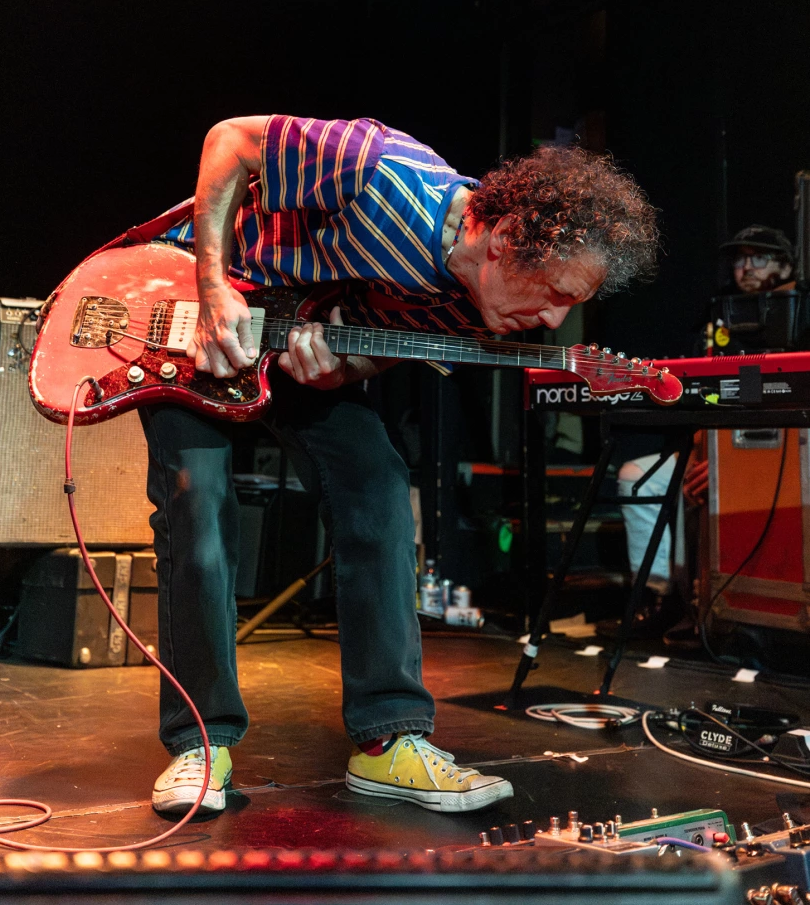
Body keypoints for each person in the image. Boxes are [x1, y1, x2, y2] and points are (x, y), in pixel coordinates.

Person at [138, 114, 658, 817]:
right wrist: (212, 290)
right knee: (196, 500)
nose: (554, 322)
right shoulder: (379, 169)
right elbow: (228, 140)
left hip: (288, 346)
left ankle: (389, 740)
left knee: (379, 488)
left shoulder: (475, 310)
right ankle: (200, 743)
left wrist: (337, 369)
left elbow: (371, 355)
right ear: (504, 240)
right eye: (557, 294)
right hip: (190, 321)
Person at [614, 223, 794, 640]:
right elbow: (705, 395)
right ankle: (662, 596)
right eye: (739, 259)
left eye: (758, 258)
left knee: (697, 487)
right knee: (637, 478)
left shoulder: (798, 317)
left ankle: (706, 604)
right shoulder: (720, 316)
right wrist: (703, 451)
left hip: (776, 459)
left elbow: (788, 407)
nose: (746, 268)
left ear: (786, 266)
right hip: (715, 447)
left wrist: (730, 464)